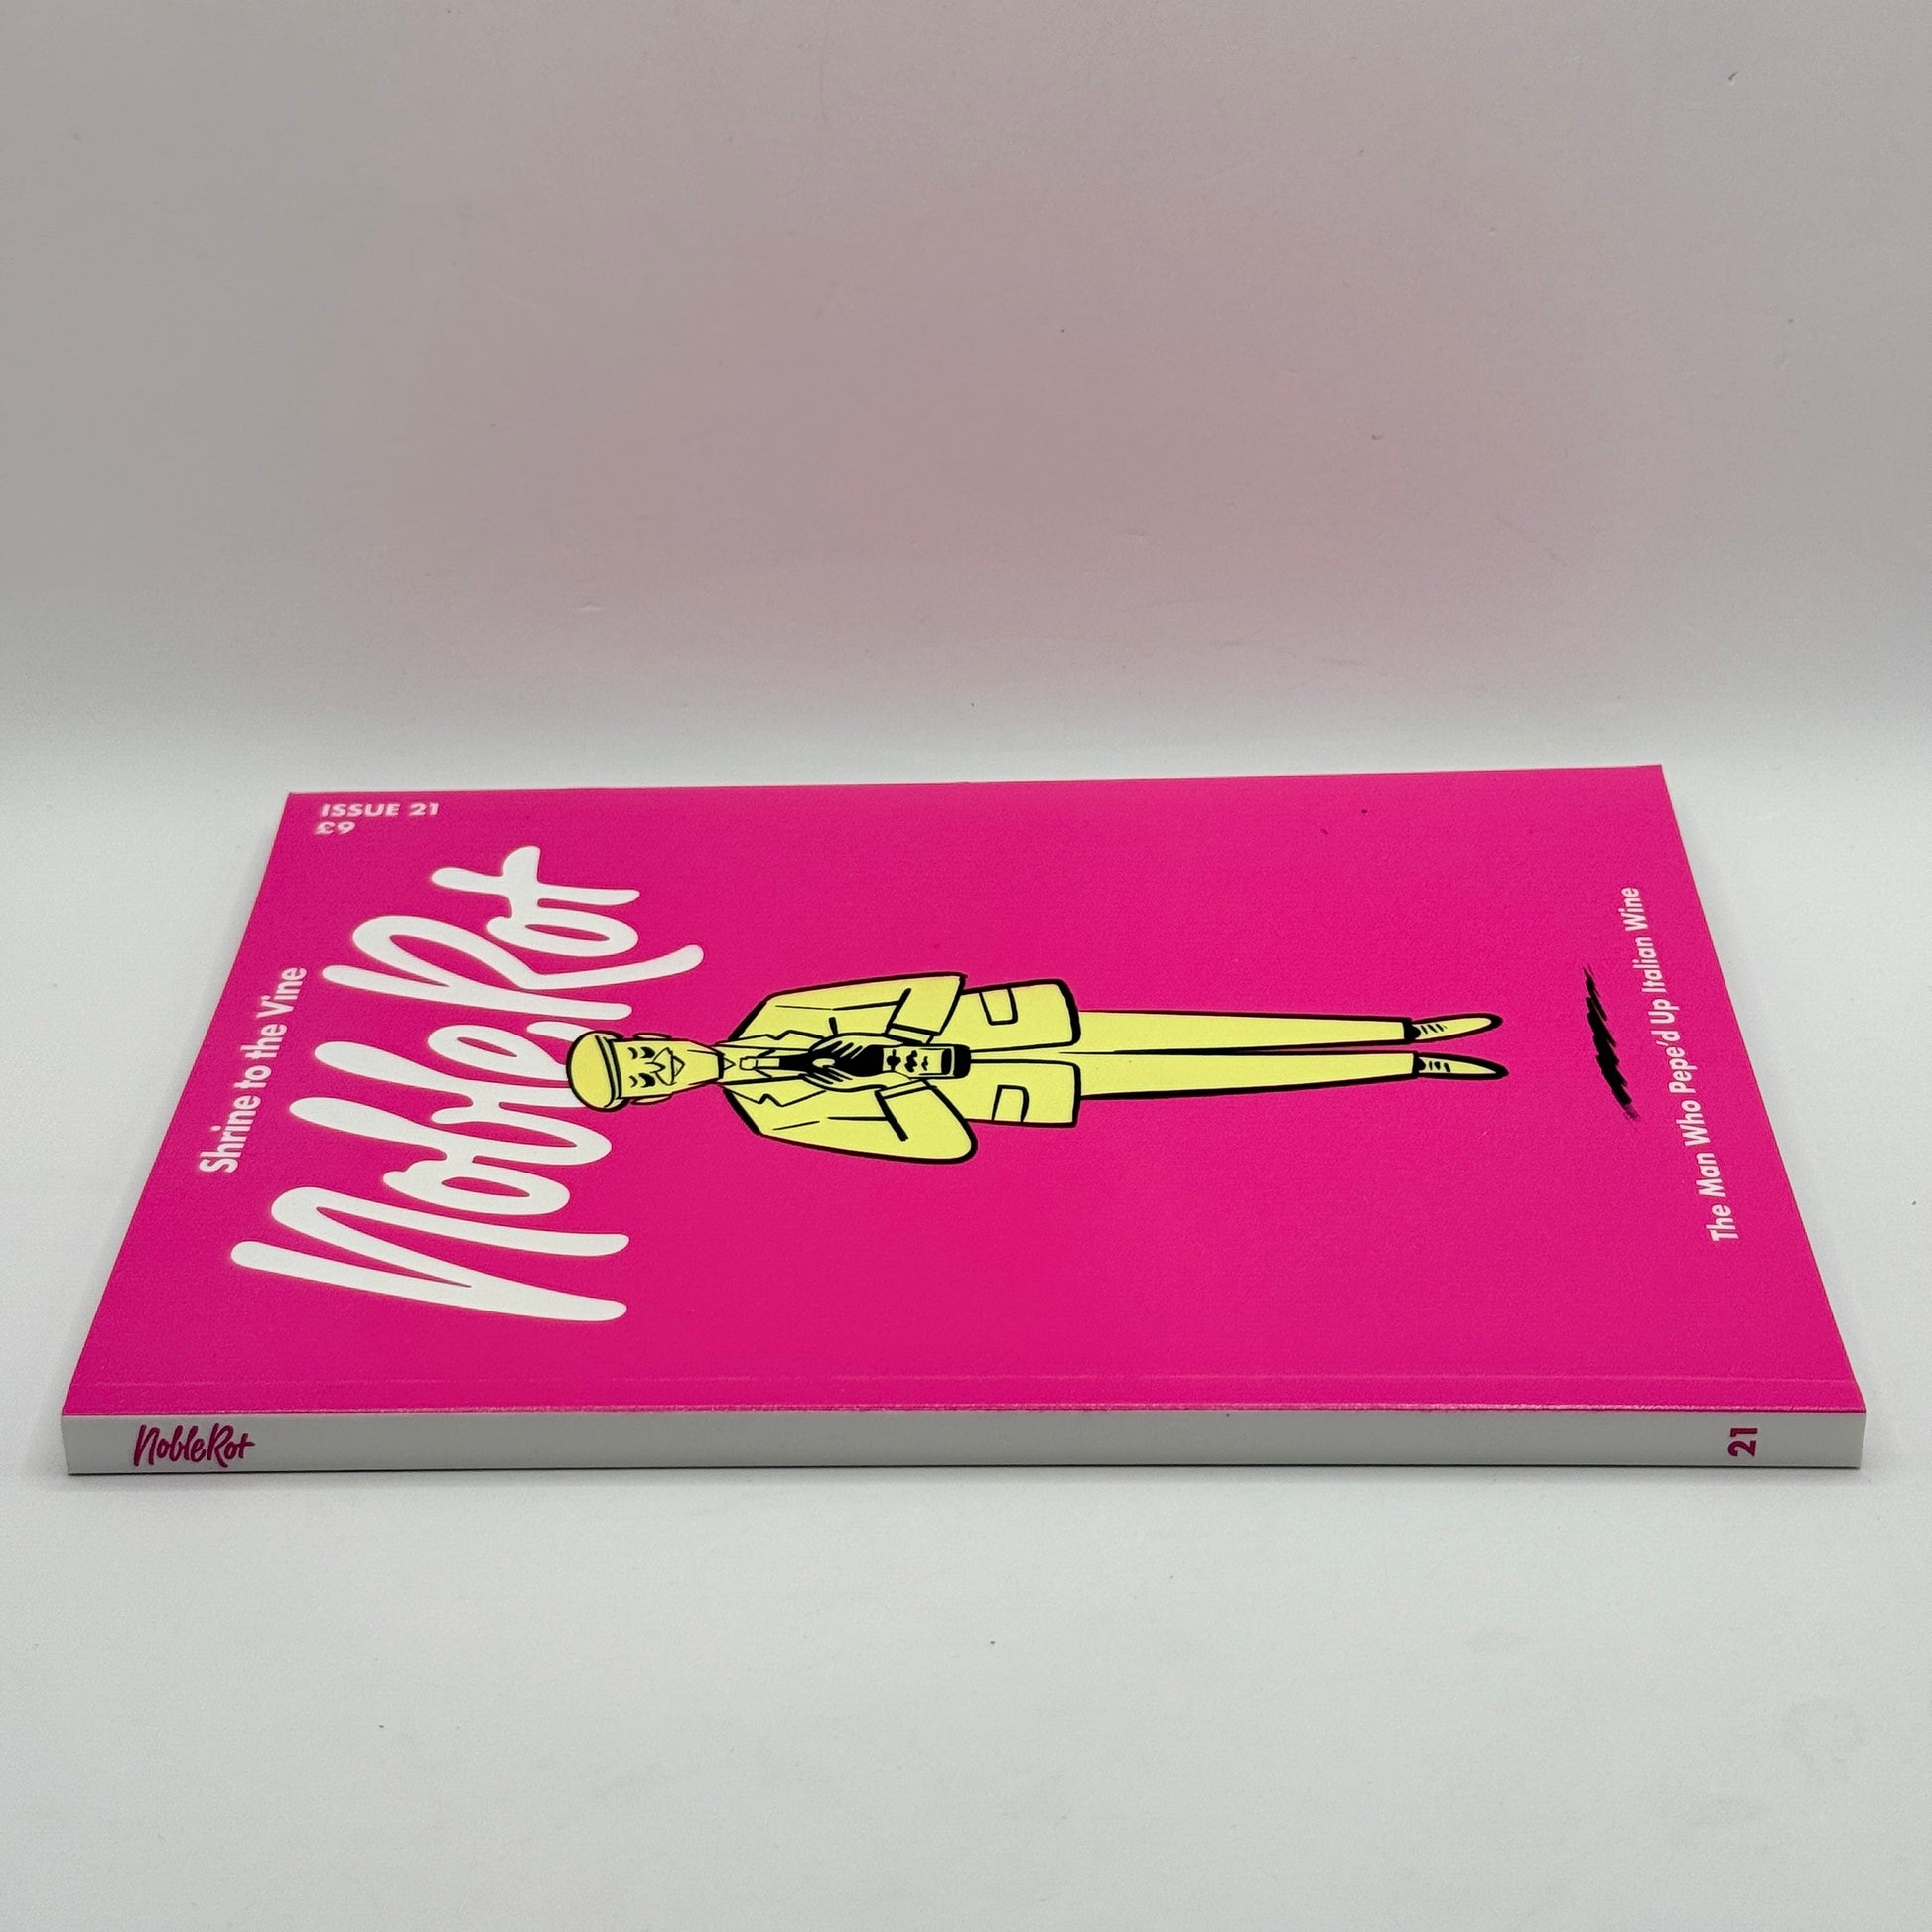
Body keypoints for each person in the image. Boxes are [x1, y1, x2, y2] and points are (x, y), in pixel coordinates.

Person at [566, 973, 1503, 1163]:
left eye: (640, 1052)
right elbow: (938, 1148)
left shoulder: (782, 1010)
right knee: (1213, 1071)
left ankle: (1406, 1024)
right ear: (656, 1099)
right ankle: (1410, 1070)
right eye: (644, 1079)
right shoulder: (780, 1119)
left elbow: (920, 983)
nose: (657, 1065)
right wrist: (898, 1081)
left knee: (1210, 1026)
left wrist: (907, 1036)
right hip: (1014, 1087)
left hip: (1017, 1026)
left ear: (652, 1033)